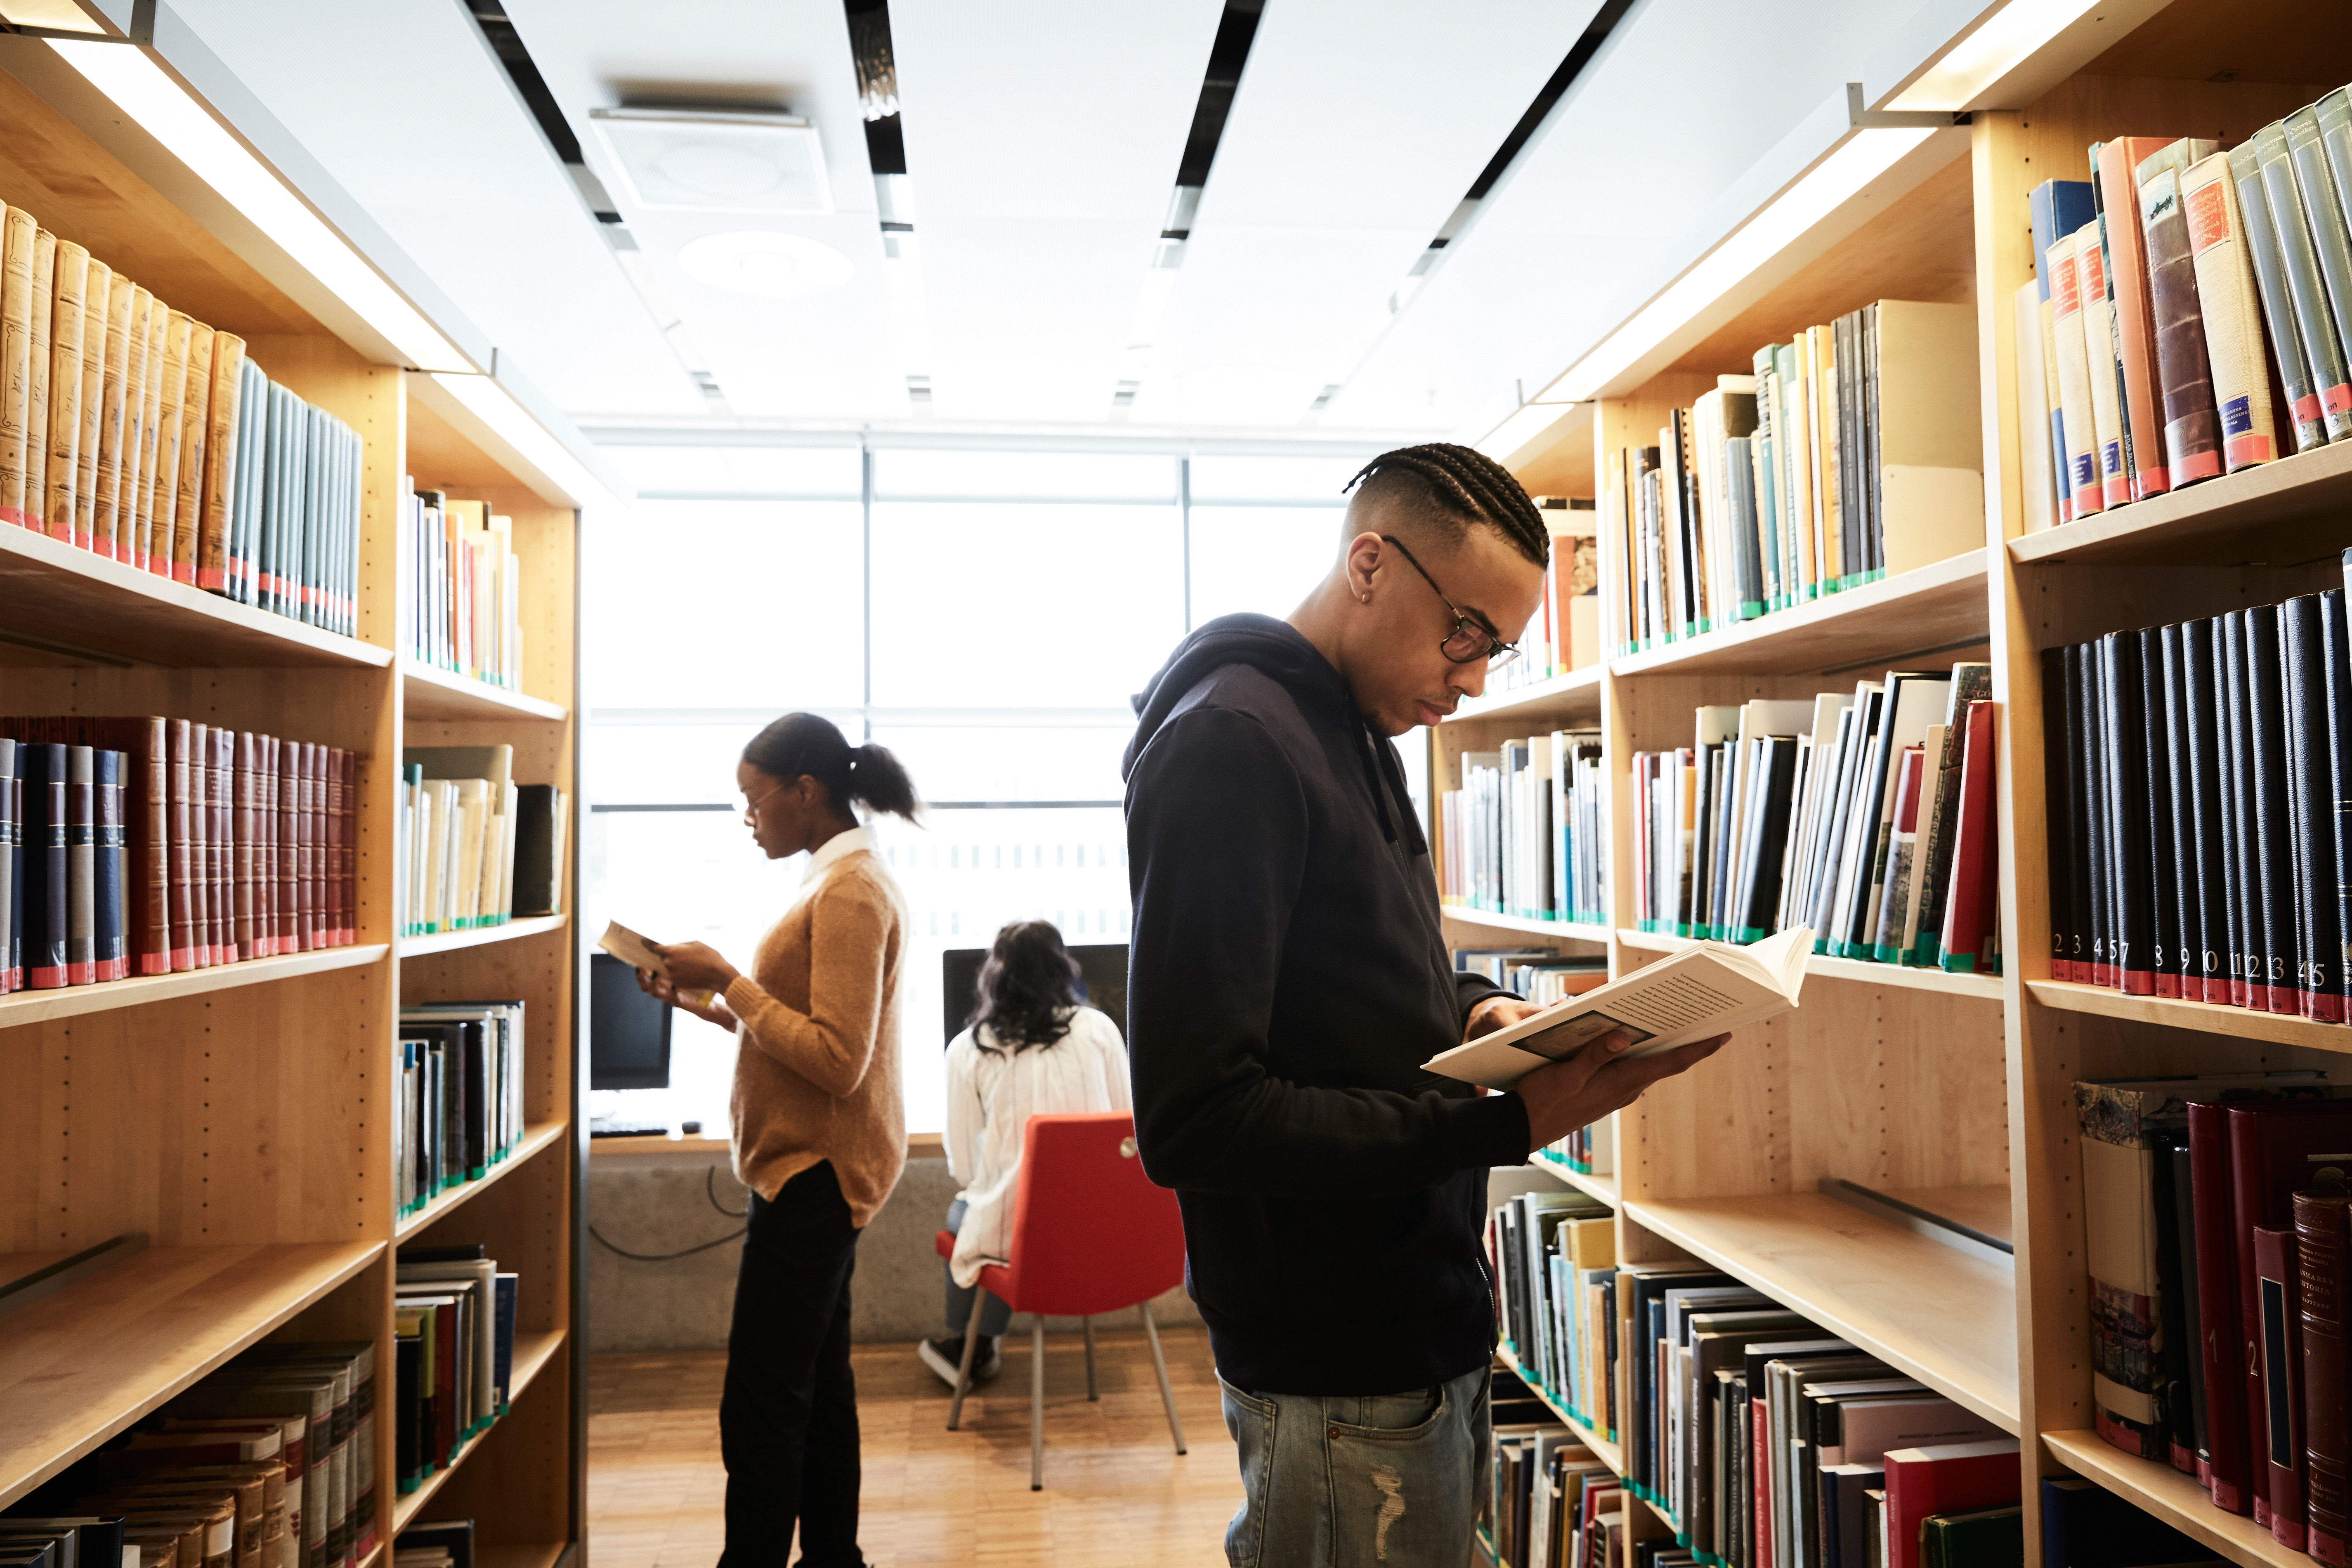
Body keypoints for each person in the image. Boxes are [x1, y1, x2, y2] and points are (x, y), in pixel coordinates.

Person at [1122, 442, 1728, 1566]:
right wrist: (1501, 1123)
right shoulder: (1231, 744)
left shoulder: (1355, 730)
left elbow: (1371, 964)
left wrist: (1482, 1012)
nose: (1474, 680)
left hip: (1413, 1314)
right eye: (1466, 634)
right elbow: (1194, 1118)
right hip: (1335, 1360)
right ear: (1369, 564)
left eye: (1497, 649)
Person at [637, 712, 919, 1568]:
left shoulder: (851, 893)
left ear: (806, 792)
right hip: (814, 1167)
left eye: (754, 801)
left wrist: (729, 976)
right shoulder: (833, 881)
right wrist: (719, 1009)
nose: (749, 818)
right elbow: (810, 1033)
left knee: (762, 1402)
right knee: (816, 1389)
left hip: (816, 1172)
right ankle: (835, 1557)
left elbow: (839, 1061)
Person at [919, 919, 1132, 1387]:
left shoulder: (970, 1047)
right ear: (1065, 970)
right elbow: (1127, 1131)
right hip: (1104, 1233)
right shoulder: (1101, 1029)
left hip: (1016, 1241)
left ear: (992, 975)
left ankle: (969, 1345)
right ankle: (976, 1344)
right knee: (1005, 1208)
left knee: (972, 1209)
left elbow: (964, 1169)